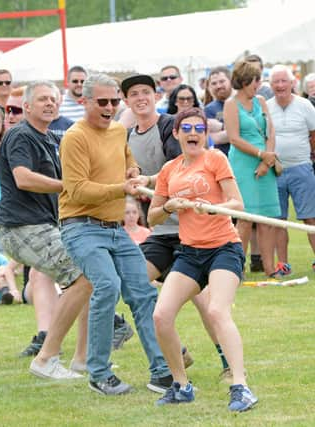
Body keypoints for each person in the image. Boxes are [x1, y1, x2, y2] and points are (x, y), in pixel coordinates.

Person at [59, 73, 172, 395]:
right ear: (85, 101)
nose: (110, 107)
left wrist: (133, 170)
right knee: (107, 286)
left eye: (113, 101)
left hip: (114, 228)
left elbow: (126, 158)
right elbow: (77, 190)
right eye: (103, 102)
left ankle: (162, 371)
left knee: (143, 292)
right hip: (80, 225)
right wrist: (120, 188)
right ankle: (98, 373)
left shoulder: (118, 130)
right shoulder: (74, 137)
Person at [121, 73, 232, 381]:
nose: (141, 98)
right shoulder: (128, 135)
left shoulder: (172, 127)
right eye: (134, 94)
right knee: (133, 282)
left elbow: (183, 166)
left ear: (156, 95)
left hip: (189, 231)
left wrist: (148, 181)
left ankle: (228, 362)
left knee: (204, 301)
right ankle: (176, 350)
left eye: (146, 91)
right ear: (126, 101)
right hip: (160, 231)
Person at [149, 108, 257, 412]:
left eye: (199, 128)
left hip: (223, 247)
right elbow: (152, 216)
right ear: (177, 133)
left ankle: (241, 386)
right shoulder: (169, 170)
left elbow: (237, 203)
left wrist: (211, 208)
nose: (194, 133)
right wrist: (169, 205)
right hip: (189, 252)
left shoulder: (215, 159)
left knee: (217, 310)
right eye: (187, 128)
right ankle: (181, 386)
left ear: (205, 134)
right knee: (161, 316)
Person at [0, 80, 93, 379]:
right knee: (84, 278)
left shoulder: (51, 138)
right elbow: (23, 178)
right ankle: (46, 359)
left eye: (53, 99)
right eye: (42, 99)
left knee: (92, 277)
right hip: (21, 227)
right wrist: (69, 187)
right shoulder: (19, 135)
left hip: (45, 226)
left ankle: (83, 359)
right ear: (26, 106)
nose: (50, 103)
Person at [224, 60, 280, 277]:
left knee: (267, 219)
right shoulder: (231, 104)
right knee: (245, 219)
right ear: (245, 81)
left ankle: (270, 268)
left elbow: (271, 131)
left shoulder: (261, 101)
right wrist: (260, 155)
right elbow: (234, 138)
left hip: (266, 161)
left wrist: (267, 160)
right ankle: (238, 268)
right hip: (243, 163)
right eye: (255, 80)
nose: (258, 84)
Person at [267, 64, 315, 273]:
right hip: (274, 171)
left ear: (292, 83)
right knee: (279, 220)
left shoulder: (305, 106)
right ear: (270, 85)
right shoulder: (266, 106)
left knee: (310, 217)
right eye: (276, 82)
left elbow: (314, 134)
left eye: (283, 81)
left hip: (302, 168)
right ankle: (283, 264)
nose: (280, 85)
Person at [204, 66, 233, 156]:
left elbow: (247, 133)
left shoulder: (242, 103)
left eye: (222, 81)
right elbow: (213, 139)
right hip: (223, 159)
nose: (218, 86)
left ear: (231, 81)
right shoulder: (209, 109)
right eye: (214, 83)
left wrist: (221, 127)